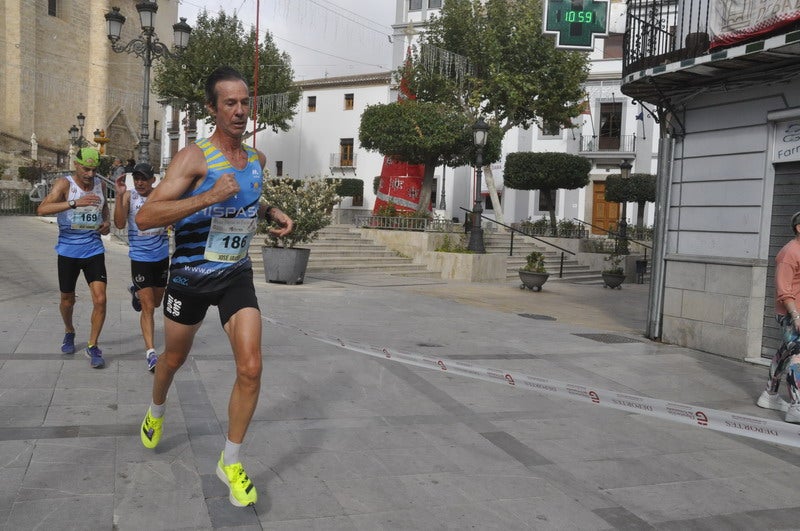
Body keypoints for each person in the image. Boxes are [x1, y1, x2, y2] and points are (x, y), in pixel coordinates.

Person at [136, 66, 293, 508]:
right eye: (230, 103)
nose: (240, 111)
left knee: (251, 367)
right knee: (172, 359)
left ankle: (231, 460)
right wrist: (207, 196)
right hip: (188, 278)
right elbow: (146, 217)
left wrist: (270, 211)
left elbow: (247, 195)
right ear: (212, 108)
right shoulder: (194, 159)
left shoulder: (257, 160)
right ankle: (157, 409)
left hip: (235, 275)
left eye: (245, 102)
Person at [37, 147, 110, 369]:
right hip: (68, 252)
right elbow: (42, 209)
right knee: (67, 299)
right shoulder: (64, 184)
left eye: (94, 169)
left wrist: (105, 225)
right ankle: (69, 330)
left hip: (93, 249)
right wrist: (73, 203)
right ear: (76, 164)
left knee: (100, 299)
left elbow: (104, 212)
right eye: (86, 169)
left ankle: (92, 345)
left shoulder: (101, 185)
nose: (90, 174)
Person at [113, 162, 169, 372]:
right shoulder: (129, 196)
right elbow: (119, 224)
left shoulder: (161, 195)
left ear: (153, 180)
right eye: (136, 178)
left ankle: (136, 293)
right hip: (140, 257)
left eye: (144, 178)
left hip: (161, 257)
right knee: (147, 307)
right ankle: (151, 353)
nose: (139, 182)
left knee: (156, 302)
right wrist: (118, 196)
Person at [758, 211, 800, 423]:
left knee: (785, 353)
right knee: (798, 356)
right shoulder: (789, 253)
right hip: (792, 314)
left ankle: (770, 394)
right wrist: (796, 316)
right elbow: (784, 290)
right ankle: (797, 405)